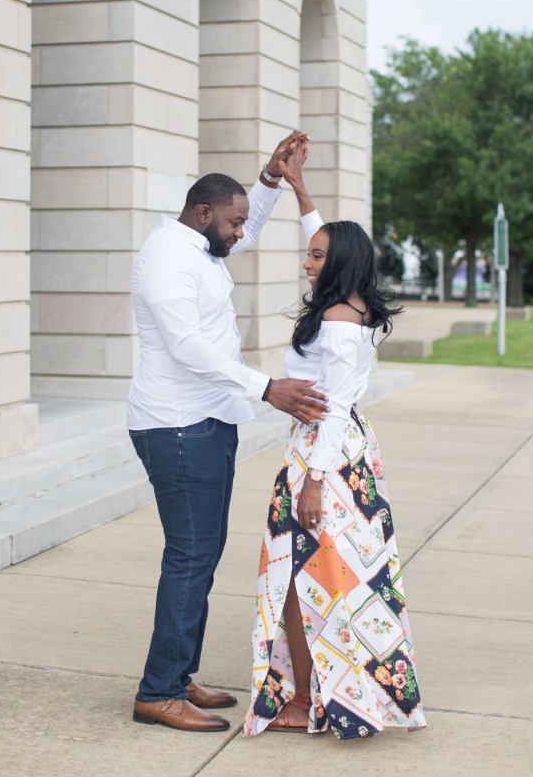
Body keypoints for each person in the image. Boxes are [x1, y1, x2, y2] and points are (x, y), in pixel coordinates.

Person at [128, 130, 329, 733]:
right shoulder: (168, 256)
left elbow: (248, 225)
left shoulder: (200, 247)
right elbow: (187, 346)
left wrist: (269, 181)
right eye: (235, 222)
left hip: (206, 423)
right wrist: (266, 387)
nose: (243, 233)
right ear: (204, 213)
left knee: (202, 554)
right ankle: (158, 691)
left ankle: (178, 673)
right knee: (190, 557)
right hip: (178, 427)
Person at [244, 143, 427, 739]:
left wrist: (314, 483)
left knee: (302, 579)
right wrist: (298, 190)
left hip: (326, 457)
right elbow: (326, 235)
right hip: (343, 451)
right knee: (340, 579)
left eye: (316, 257)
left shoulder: (336, 327)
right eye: (308, 252)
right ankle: (328, 694)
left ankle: (305, 701)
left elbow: (335, 406)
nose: (307, 262)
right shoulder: (356, 306)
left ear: (339, 262)